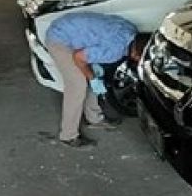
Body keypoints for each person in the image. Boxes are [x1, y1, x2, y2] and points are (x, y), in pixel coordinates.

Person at [44, 12, 147, 148]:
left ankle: (94, 119)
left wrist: (94, 73)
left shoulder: (131, 31)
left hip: (73, 29)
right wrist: (92, 77)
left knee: (97, 75)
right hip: (60, 39)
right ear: (135, 54)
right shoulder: (114, 50)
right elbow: (79, 57)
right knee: (78, 85)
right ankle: (68, 136)